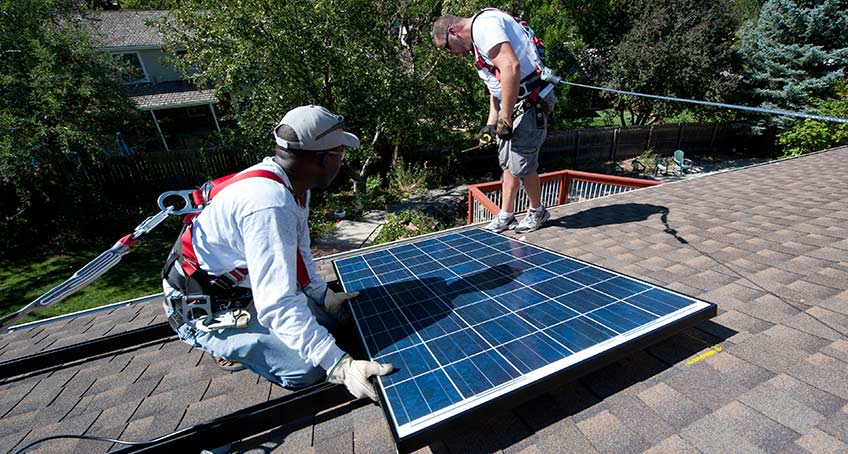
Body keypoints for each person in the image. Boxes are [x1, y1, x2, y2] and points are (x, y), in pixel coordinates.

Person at [161, 105, 392, 401]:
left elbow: (299, 249)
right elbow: (278, 303)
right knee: (309, 369)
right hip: (205, 308)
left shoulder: (293, 184)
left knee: (334, 322)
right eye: (340, 153)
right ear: (324, 159)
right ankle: (219, 345)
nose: (342, 161)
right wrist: (339, 365)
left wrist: (322, 294)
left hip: (244, 289)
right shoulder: (268, 204)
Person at [433, 8, 556, 233]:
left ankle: (538, 211)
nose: (452, 54)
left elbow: (511, 67)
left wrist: (505, 119)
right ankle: (507, 214)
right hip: (516, 105)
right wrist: (492, 123)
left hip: (532, 101)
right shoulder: (479, 45)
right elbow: (496, 88)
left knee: (522, 162)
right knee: (507, 162)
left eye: (447, 49)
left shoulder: (485, 26)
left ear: (453, 31)